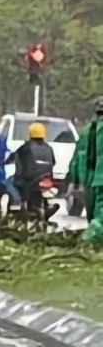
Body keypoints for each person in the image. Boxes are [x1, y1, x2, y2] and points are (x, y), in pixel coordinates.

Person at [10, 121, 58, 219]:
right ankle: (45, 205)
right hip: (46, 178)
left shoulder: (25, 147)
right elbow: (54, 162)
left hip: (30, 179)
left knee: (14, 183)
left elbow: (15, 158)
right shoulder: (48, 148)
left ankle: (18, 205)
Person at [71, 98, 103, 242]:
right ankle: (87, 243)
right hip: (96, 179)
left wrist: (79, 180)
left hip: (94, 179)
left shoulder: (89, 130)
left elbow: (86, 159)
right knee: (99, 219)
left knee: (95, 216)